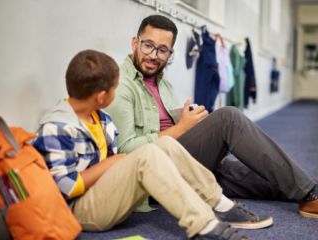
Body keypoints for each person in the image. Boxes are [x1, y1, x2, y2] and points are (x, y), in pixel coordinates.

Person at [31, 50, 275, 240]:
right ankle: (204, 225)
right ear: (101, 96)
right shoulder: (57, 127)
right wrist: (113, 163)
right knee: (146, 153)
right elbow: (65, 187)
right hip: (82, 213)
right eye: (115, 88)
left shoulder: (100, 117)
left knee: (166, 144)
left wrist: (114, 163)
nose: (117, 93)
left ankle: (220, 204)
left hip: (105, 195)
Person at [105, 15, 318, 219]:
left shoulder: (163, 83)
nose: (153, 55)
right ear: (135, 42)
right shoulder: (120, 85)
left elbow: (174, 128)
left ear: (170, 54)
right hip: (154, 175)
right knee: (228, 117)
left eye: (162, 50)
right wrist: (180, 129)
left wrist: (205, 139)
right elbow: (124, 152)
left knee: (264, 173)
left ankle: (309, 189)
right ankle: (309, 194)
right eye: (148, 45)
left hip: (182, 160)